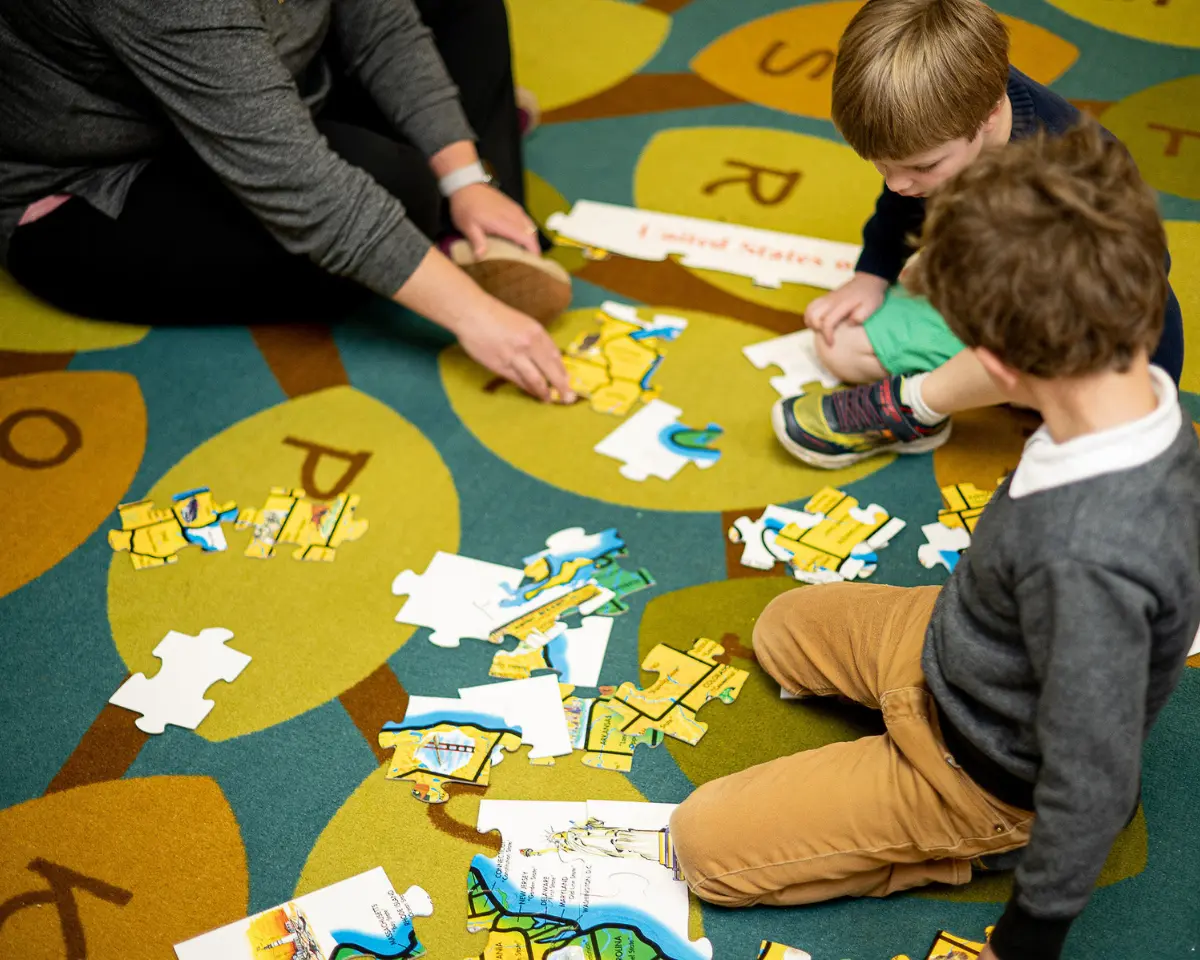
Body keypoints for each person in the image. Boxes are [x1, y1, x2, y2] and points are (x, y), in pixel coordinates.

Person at [669, 124, 1200, 960]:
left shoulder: (1090, 558)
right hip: (956, 647)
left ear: (998, 363)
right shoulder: (1134, 383)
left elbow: (1092, 781)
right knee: (781, 630)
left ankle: (958, 841)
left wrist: (1029, 939)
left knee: (700, 847)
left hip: (985, 772)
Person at [0, 0, 574, 402]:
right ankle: (438, 227)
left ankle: (475, 222)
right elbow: (296, 181)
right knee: (394, 187)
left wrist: (467, 179)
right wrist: (475, 316)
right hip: (95, 189)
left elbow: (383, 26)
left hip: (271, 86)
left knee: (455, 12)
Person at [772, 0, 1184, 467]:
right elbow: (901, 199)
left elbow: (1129, 296)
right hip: (993, 306)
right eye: (882, 166)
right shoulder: (941, 116)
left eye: (921, 166)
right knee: (838, 343)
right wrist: (872, 272)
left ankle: (920, 404)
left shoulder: (1071, 172)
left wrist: (961, 277)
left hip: (1092, 340)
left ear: (989, 115)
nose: (896, 182)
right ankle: (951, 391)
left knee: (1099, 449)